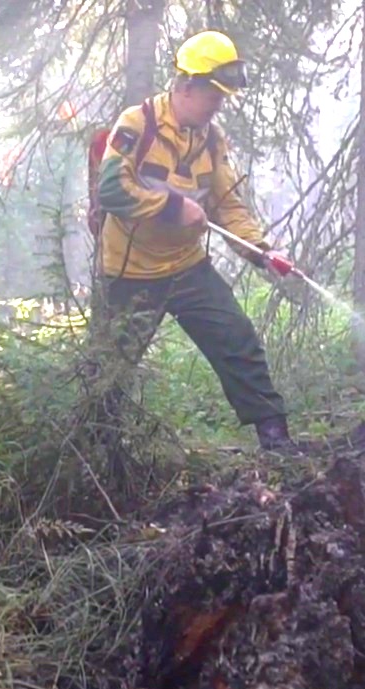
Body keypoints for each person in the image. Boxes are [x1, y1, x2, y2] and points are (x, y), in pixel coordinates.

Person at [94, 29, 301, 452]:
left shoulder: (211, 138)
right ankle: (98, 454)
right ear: (188, 86)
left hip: (187, 268)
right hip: (129, 273)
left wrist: (261, 253)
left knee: (237, 341)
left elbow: (228, 205)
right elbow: (111, 190)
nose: (219, 104)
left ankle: (276, 440)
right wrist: (172, 207)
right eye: (215, 94)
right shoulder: (137, 124)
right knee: (108, 373)